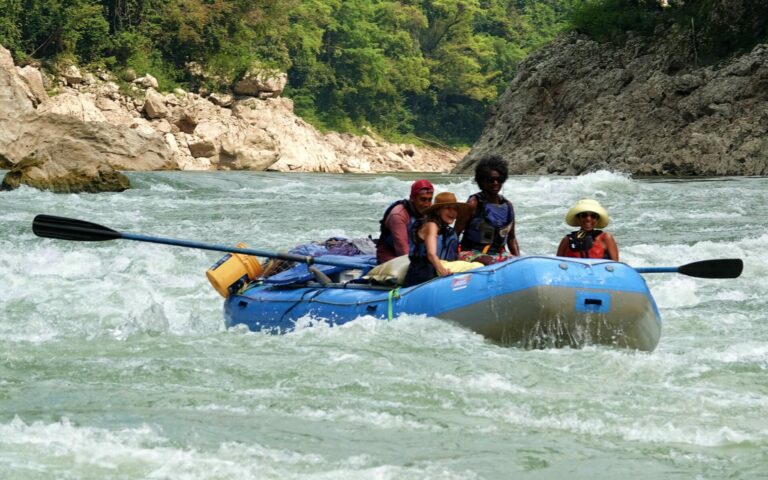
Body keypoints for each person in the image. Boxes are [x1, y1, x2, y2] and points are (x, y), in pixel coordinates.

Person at [455, 155, 520, 265]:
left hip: (497, 254)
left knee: (515, 262)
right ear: (482, 182)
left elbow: (511, 239)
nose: (495, 183)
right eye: (491, 180)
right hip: (471, 253)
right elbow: (455, 233)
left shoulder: (508, 206)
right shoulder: (473, 204)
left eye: (499, 179)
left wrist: (519, 260)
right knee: (490, 262)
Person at [403, 192, 472, 287]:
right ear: (437, 211)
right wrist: (442, 270)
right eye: (448, 208)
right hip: (422, 275)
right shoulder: (431, 225)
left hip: (434, 273)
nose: (452, 212)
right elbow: (431, 254)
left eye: (455, 209)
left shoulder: (447, 231)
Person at [376, 179, 434, 264]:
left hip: (415, 254)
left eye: (429, 200)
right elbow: (402, 251)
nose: (427, 204)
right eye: (423, 199)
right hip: (392, 256)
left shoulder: (427, 212)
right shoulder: (398, 215)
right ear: (412, 198)